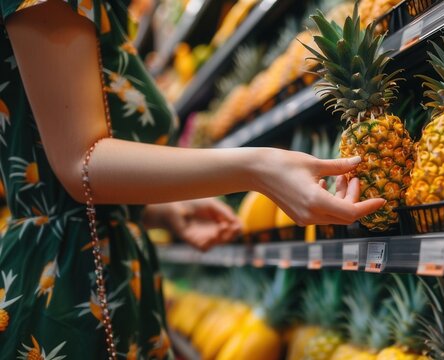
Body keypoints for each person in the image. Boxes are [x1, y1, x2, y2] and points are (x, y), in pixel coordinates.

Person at [0, 0, 385, 357]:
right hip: (66, 285)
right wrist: (256, 168)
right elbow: (79, 165)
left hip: (105, 268)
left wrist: (164, 212)